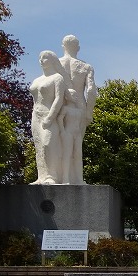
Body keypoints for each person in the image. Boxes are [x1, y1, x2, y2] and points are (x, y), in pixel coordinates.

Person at [59, 35, 96, 185]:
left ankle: (62, 177)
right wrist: (89, 112)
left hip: (61, 105)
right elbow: (92, 91)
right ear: (78, 48)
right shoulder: (86, 67)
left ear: (63, 47)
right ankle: (76, 179)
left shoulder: (56, 65)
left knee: (61, 145)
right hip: (79, 107)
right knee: (76, 146)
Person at [29, 51, 67, 184]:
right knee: (39, 145)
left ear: (52, 61)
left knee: (48, 144)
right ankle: (41, 176)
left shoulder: (57, 78)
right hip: (36, 115)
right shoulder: (37, 80)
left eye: (45, 58)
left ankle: (52, 176)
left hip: (48, 114)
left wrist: (51, 117)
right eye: (40, 58)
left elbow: (59, 99)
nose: (41, 60)